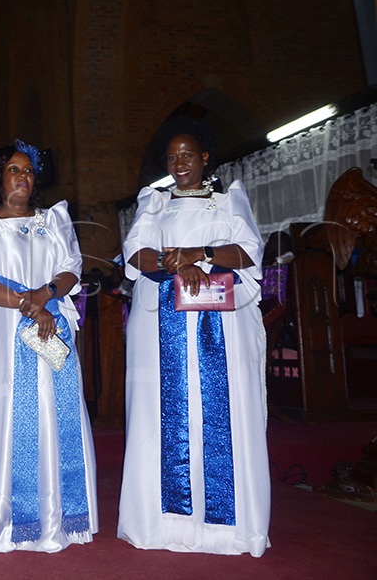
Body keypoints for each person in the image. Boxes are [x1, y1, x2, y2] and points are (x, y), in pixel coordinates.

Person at [119, 117, 269, 556]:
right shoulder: (155, 203)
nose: (179, 163)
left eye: (187, 155)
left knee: (220, 409)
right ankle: (165, 525)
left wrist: (199, 254)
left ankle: (226, 528)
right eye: (171, 157)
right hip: (163, 317)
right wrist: (175, 263)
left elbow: (249, 251)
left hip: (220, 320)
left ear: (204, 158)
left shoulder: (228, 200)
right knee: (162, 413)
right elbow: (136, 253)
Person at [0, 141, 98, 553]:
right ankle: (15, 519)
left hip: (51, 321)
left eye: (28, 171)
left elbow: (71, 267)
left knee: (57, 411)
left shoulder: (53, 220)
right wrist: (27, 304)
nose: (22, 177)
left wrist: (45, 295)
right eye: (13, 170)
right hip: (3, 330)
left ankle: (63, 517)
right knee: (10, 414)